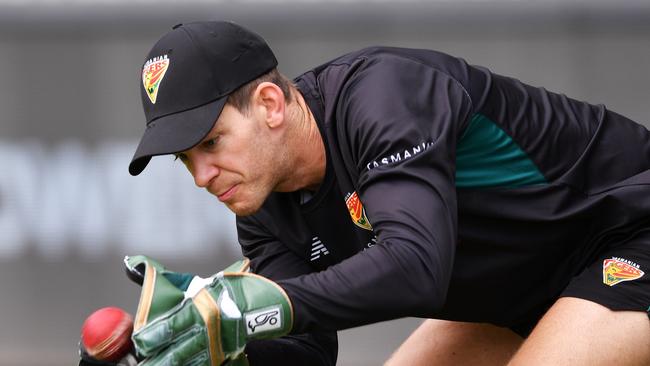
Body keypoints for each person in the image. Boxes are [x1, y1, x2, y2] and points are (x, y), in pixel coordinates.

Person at [84, 20, 650, 365]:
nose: (202, 175)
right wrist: (218, 348)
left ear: (270, 105)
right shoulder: (263, 205)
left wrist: (244, 305)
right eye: (185, 158)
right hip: (527, 286)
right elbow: (305, 350)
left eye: (210, 143)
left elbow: (416, 265)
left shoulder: (383, 96)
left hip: (630, 232)